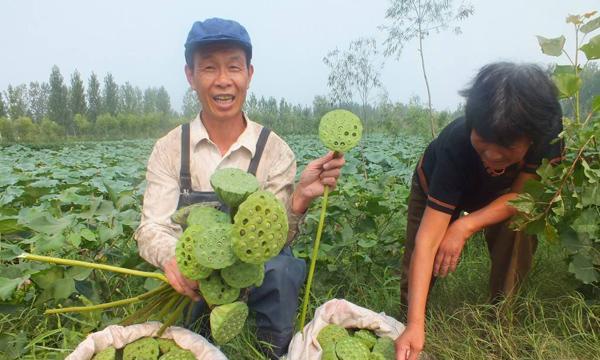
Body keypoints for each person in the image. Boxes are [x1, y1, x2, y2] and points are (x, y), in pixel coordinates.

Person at [134, 18, 345, 358]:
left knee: (282, 269)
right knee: (192, 339)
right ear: (190, 75)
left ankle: (272, 349)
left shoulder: (275, 149)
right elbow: (152, 227)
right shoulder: (170, 148)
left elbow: (276, 240)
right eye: (208, 68)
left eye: (233, 67)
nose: (223, 80)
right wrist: (175, 259)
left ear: (249, 73)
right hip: (198, 279)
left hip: (255, 272)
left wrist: (300, 199)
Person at [395, 62, 563, 359]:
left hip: (506, 190)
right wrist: (415, 324)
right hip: (436, 184)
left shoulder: (547, 131)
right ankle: (407, 326)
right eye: (483, 142)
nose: (493, 155)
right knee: (417, 263)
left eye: (507, 147)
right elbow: (428, 240)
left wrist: (463, 226)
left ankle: (501, 320)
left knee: (519, 225)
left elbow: (520, 196)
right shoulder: (456, 145)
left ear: (532, 140)